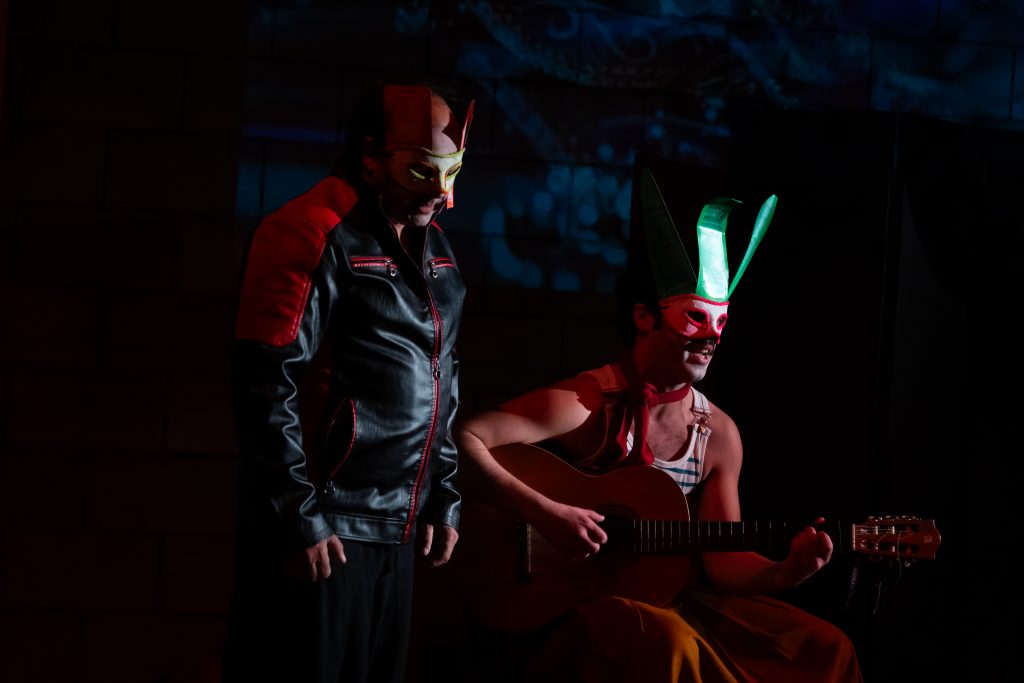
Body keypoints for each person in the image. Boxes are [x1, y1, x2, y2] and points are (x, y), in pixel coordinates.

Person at [454, 169, 864, 682]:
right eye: (695, 319)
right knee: (669, 647)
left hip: (664, 596)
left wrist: (785, 571)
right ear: (645, 318)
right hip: (579, 600)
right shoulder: (588, 402)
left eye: (721, 322)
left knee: (827, 649)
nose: (712, 339)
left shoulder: (718, 434)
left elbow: (723, 558)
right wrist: (549, 514)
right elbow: (464, 438)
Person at [221, 82, 475, 683]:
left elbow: (444, 378)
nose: (440, 193)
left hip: (399, 531)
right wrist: (297, 515)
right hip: (325, 529)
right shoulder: (308, 232)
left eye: (452, 172)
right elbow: (265, 382)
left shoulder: (436, 250)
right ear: (370, 156)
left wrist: (443, 495)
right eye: (421, 170)